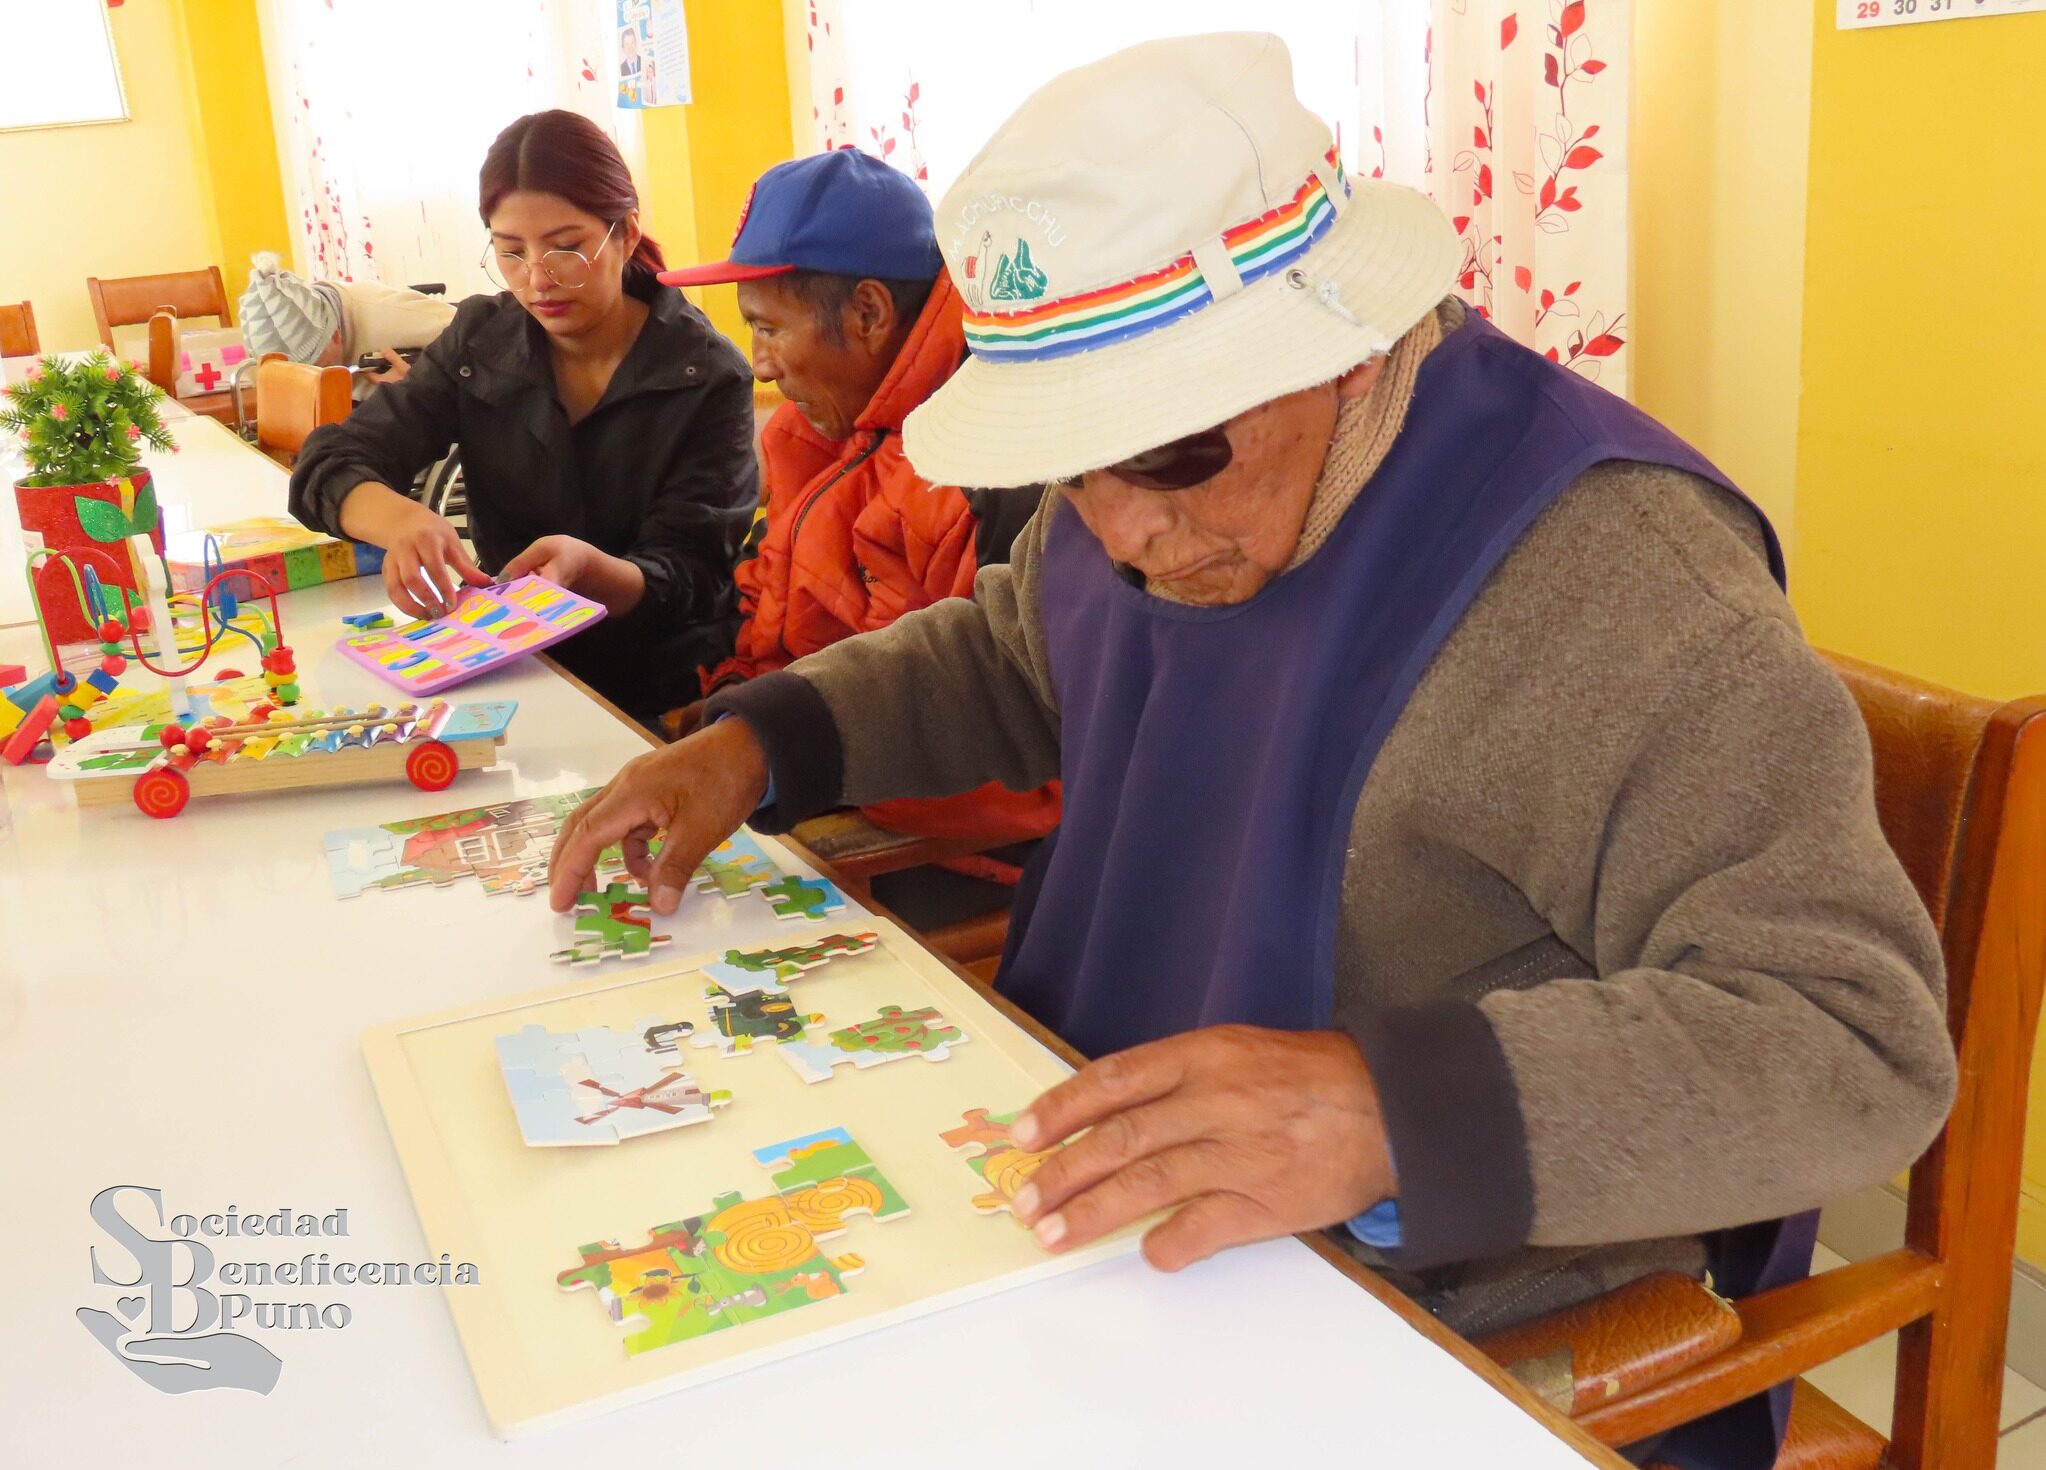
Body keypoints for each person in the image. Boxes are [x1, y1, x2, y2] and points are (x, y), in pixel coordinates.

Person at [547, 36, 1955, 1466]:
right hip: (1101, 1197)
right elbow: (1011, 649)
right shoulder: (1141, 500)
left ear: (1342, 349)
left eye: (1167, 457)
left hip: (1426, 1297)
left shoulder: (1615, 582)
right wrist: (755, 742)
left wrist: (1390, 1108)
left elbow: (1854, 1039)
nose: (1121, 532)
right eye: (1068, 466)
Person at [656, 149, 1058, 917]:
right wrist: (738, 723)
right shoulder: (825, 431)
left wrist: (785, 761)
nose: (761, 366)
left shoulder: (991, 467)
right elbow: (777, 616)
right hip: (810, 781)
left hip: (962, 858)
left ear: (870, 314)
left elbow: (1021, 764)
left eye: (769, 330)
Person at [289, 109, 758, 726]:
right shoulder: (482, 340)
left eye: (567, 248)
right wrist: (401, 522)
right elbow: (326, 464)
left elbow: (690, 575)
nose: (538, 280)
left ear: (626, 233)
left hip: (657, 688)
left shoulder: (706, 374)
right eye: (511, 253)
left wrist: (590, 571)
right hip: (512, 663)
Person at [239, 252, 455, 388]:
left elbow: (485, 341)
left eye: (319, 368)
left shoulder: (400, 316)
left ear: (335, 334)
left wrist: (420, 384)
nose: (311, 390)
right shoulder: (260, 363)